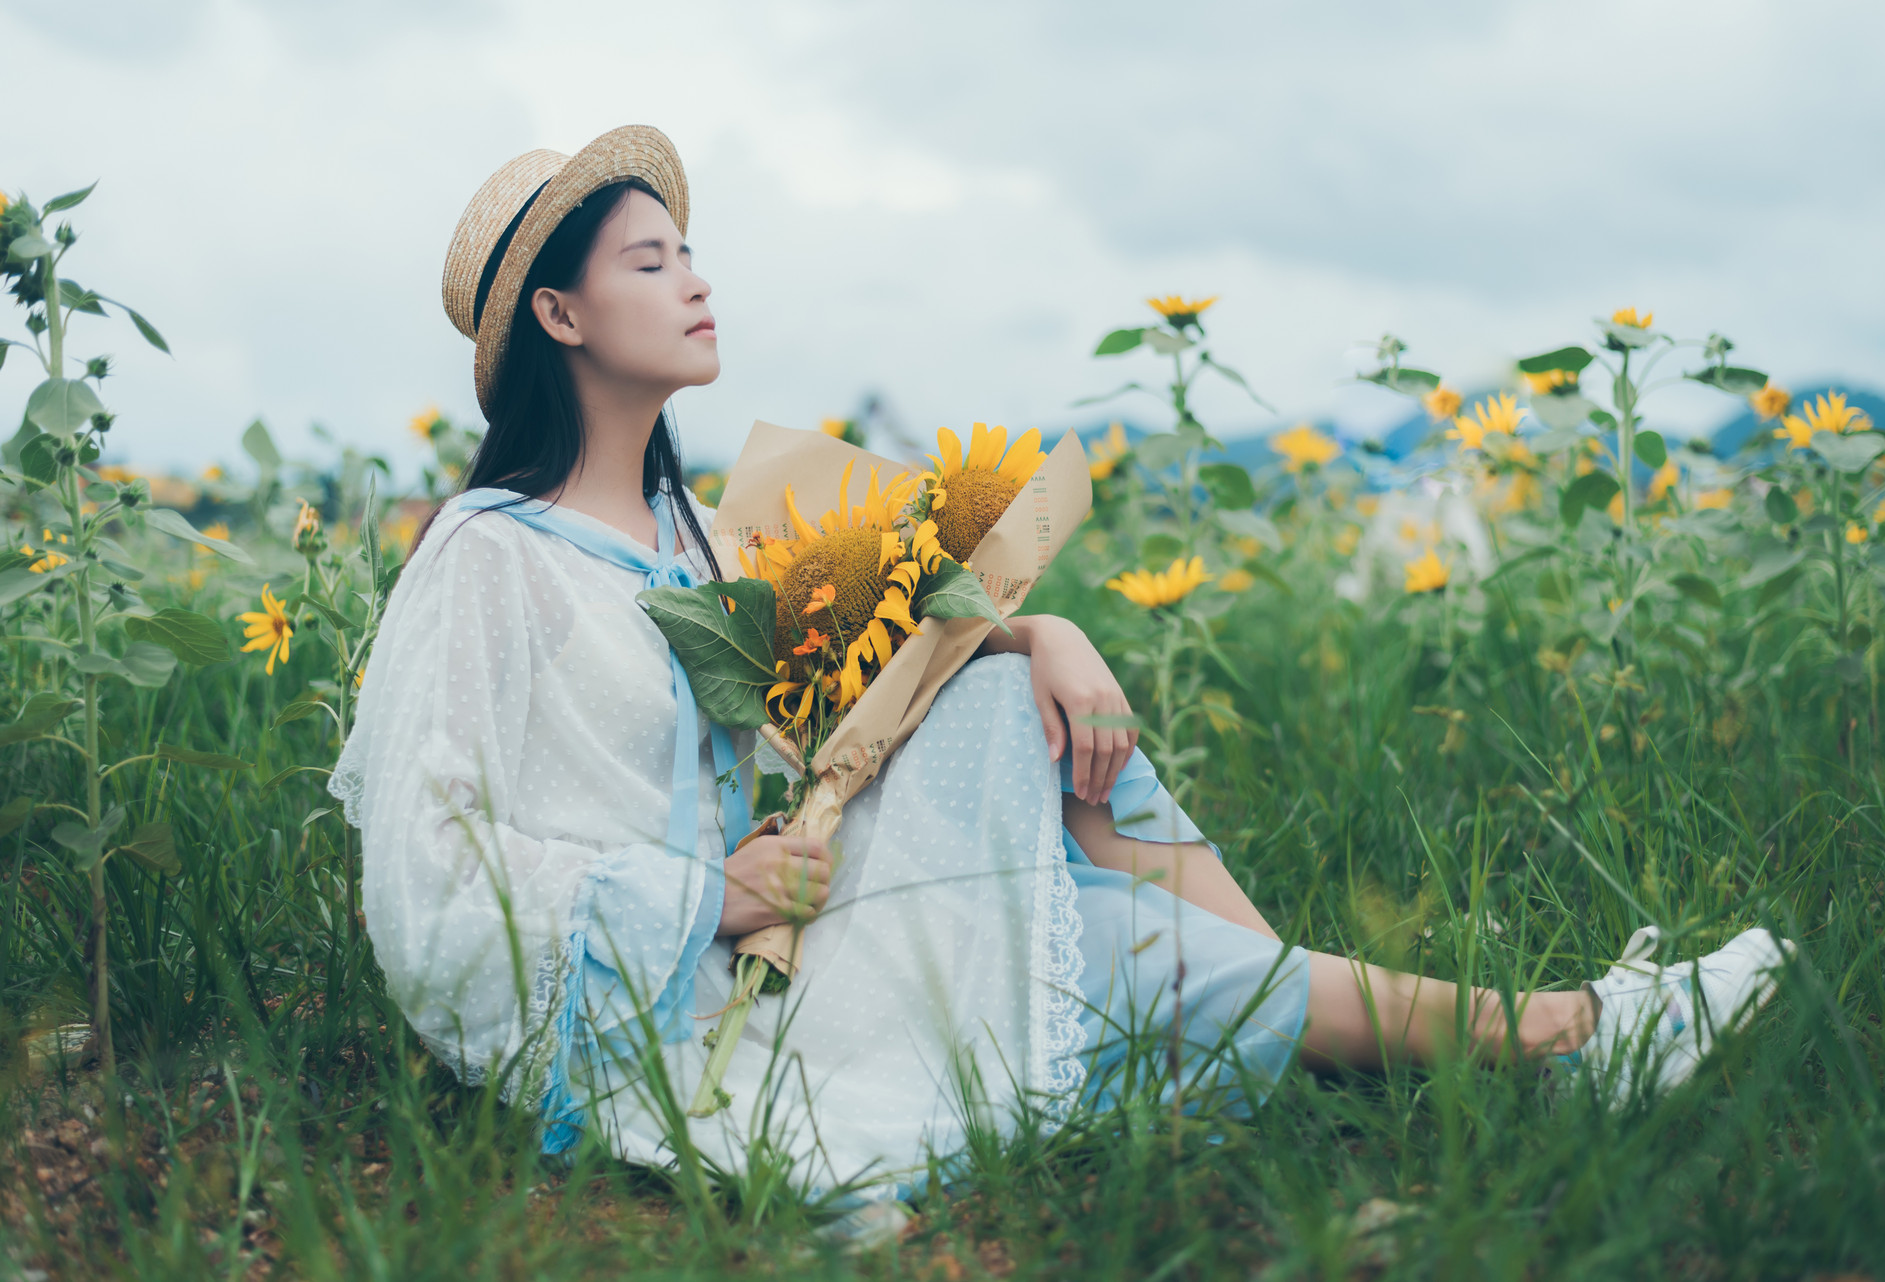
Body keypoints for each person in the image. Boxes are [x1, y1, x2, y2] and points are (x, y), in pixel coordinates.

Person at [331, 125, 1796, 1204]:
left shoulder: (709, 535)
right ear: (562, 316)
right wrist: (712, 893)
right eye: (653, 262)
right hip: (670, 1000)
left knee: (1023, 719)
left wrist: (1048, 632)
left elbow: (877, 698)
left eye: (695, 253)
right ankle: (1555, 1034)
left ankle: (1383, 1016)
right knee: (1089, 935)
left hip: (780, 921)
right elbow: (428, 875)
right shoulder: (488, 558)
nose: (699, 283)